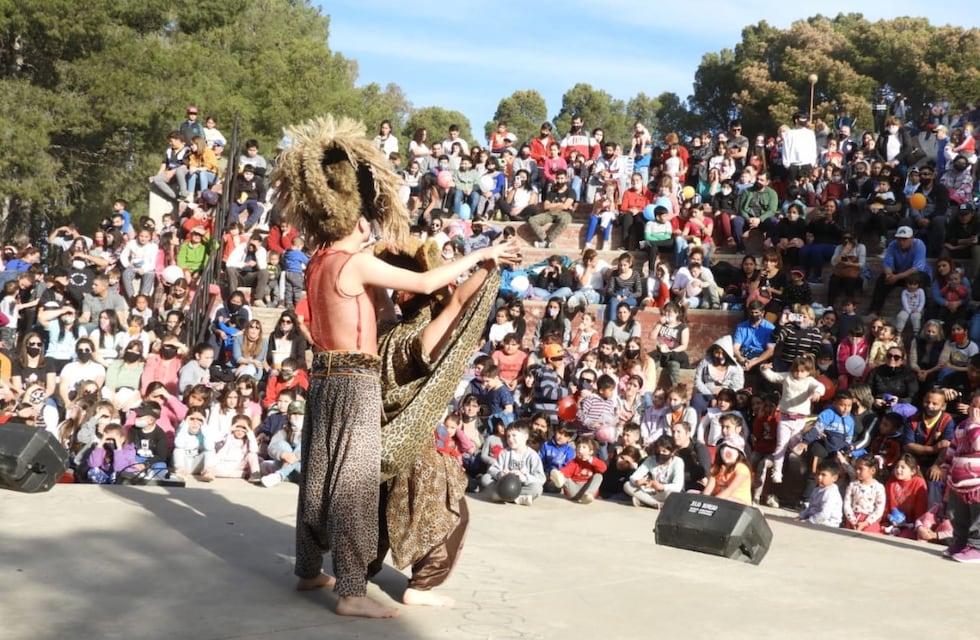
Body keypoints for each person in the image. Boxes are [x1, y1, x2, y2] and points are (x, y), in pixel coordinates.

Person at [272, 115, 520, 619]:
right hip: (354, 380)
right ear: (356, 220)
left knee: (319, 476)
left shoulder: (319, 264)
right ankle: (351, 591)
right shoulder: (353, 262)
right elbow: (431, 289)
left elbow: (384, 310)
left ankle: (308, 570)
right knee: (353, 486)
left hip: (324, 378)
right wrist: (484, 254)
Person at [760, 356, 826, 495]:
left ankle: (801, 461)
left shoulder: (809, 382)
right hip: (785, 418)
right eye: (796, 371)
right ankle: (777, 471)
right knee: (781, 444)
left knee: (795, 447)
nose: (799, 374)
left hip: (800, 419)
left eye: (802, 371)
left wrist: (817, 393)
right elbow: (773, 377)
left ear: (808, 371)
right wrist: (764, 369)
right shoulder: (788, 377)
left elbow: (820, 386)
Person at [941, 391, 980, 561]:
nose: (975, 411)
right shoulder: (962, 425)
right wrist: (945, 466)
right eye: (973, 406)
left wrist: (975, 425)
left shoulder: (972, 426)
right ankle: (960, 542)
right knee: (956, 514)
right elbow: (952, 448)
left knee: (976, 518)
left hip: (977, 484)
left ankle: (976, 546)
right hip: (958, 482)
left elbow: (977, 444)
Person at [868, 226, 932, 315]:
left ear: (911, 238)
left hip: (918, 273)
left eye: (904, 239)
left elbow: (917, 267)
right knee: (882, 279)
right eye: (899, 239)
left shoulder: (919, 244)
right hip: (901, 273)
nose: (901, 242)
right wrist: (888, 274)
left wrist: (896, 277)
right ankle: (875, 310)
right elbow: (887, 263)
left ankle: (924, 311)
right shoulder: (893, 245)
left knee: (918, 279)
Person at [480, 419, 546, 505]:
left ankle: (503, 497)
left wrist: (524, 477)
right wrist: (500, 474)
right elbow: (492, 469)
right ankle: (517, 498)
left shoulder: (532, 456)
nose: (510, 439)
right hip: (504, 485)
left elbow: (541, 478)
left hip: (522, 486)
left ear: (525, 437)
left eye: (514, 435)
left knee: (537, 488)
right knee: (485, 478)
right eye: (508, 436)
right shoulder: (504, 453)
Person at [624, 434, 684, 508]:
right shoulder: (651, 460)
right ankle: (654, 504)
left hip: (664, 493)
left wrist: (661, 487)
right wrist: (638, 482)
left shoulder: (677, 462)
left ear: (672, 452)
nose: (660, 454)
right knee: (627, 485)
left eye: (664, 451)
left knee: (672, 493)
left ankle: (643, 501)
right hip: (650, 492)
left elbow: (678, 486)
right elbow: (634, 477)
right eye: (658, 451)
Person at [549, 437, 607, 504]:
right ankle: (558, 478)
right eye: (579, 447)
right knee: (565, 478)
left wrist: (591, 460)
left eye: (584, 447)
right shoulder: (574, 462)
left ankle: (588, 496)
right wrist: (559, 474)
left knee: (599, 476)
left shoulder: (594, 462)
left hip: (587, 490)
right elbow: (566, 470)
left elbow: (603, 468)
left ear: (591, 452)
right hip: (574, 490)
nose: (580, 449)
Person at [526, 170, 574, 249]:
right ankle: (546, 241)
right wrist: (559, 204)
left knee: (565, 220)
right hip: (550, 213)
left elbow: (566, 206)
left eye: (562, 178)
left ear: (566, 179)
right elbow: (545, 206)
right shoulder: (552, 192)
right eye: (558, 178)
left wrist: (552, 205)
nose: (560, 181)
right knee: (532, 220)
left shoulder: (571, 191)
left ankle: (547, 241)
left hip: (565, 214)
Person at [703, 434, 752, 506]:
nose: (727, 450)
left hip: (739, 505)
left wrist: (712, 503)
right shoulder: (716, 468)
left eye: (732, 447)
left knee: (727, 500)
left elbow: (730, 489)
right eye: (726, 446)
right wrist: (702, 501)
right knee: (691, 492)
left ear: (739, 453)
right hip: (718, 501)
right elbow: (708, 490)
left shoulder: (742, 469)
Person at [843, 455, 886, 533]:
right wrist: (852, 520)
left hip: (869, 522)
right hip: (852, 520)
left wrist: (866, 523)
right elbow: (847, 504)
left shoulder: (879, 487)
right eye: (856, 468)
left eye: (861, 469)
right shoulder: (852, 485)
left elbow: (879, 509)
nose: (857, 471)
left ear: (872, 470)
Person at [797, 460, 844, 528]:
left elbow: (824, 514)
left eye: (823, 475)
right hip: (815, 520)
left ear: (834, 478)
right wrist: (801, 516)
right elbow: (810, 508)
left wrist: (808, 521)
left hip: (829, 524)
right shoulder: (817, 490)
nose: (819, 477)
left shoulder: (831, 493)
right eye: (817, 474)